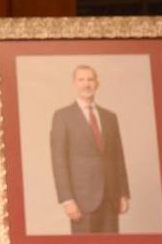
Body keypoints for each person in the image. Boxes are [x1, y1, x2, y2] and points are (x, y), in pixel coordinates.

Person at [49, 64, 131, 234]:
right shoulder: (62, 116)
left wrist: (123, 192)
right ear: (74, 84)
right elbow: (59, 161)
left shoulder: (110, 117)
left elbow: (118, 157)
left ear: (97, 83)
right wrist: (67, 199)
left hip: (111, 198)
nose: (86, 84)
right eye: (81, 80)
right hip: (82, 201)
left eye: (90, 79)